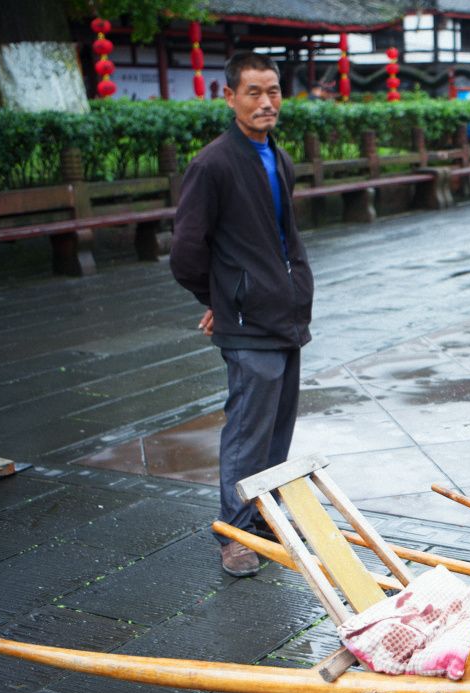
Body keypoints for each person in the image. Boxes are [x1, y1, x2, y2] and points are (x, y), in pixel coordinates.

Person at [170, 52, 315, 578]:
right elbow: (186, 251)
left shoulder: (278, 156)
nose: (265, 102)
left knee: (277, 429)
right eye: (252, 92)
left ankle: (266, 515)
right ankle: (234, 532)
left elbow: (280, 237)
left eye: (273, 91)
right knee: (247, 432)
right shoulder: (212, 164)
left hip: (285, 312)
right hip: (247, 320)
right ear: (229, 97)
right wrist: (217, 300)